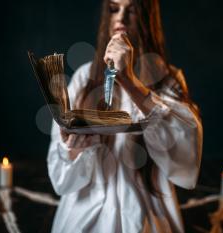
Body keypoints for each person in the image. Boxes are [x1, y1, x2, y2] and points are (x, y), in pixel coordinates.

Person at [47, 0, 203, 232]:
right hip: (85, 214)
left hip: (147, 214)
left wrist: (129, 80)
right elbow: (60, 178)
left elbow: (185, 155)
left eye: (132, 9)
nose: (121, 18)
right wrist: (75, 149)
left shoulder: (169, 79)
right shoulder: (83, 77)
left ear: (147, 19)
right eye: (114, 9)